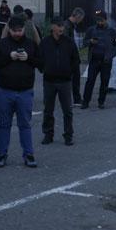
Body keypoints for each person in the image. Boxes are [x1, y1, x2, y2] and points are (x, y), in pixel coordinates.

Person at [0, 16, 43, 168]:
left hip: (25, 91)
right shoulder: (2, 44)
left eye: (20, 30)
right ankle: (1, 154)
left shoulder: (31, 44)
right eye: (14, 31)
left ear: (24, 29)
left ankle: (29, 154)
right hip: (5, 91)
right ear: (9, 30)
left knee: (25, 124)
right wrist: (9, 56)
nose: (17, 33)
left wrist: (28, 58)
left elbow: (41, 64)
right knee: (4, 124)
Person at [39, 17, 78, 146]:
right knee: (48, 109)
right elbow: (39, 59)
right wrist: (44, 69)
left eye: (62, 26)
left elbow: (75, 60)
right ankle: (48, 134)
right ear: (52, 27)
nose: (61, 28)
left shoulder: (69, 42)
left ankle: (68, 135)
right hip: (49, 80)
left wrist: (70, 72)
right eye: (58, 26)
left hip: (65, 81)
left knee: (67, 110)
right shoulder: (45, 42)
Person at [82, 10, 116, 109]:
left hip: (106, 61)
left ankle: (101, 101)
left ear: (105, 20)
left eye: (101, 21)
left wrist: (111, 55)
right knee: (90, 81)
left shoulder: (112, 31)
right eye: (98, 20)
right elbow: (84, 42)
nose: (99, 23)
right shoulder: (91, 30)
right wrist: (90, 41)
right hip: (94, 59)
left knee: (104, 82)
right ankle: (85, 101)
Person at [66, 8, 87, 105]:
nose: (81, 21)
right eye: (81, 18)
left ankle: (75, 98)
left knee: (73, 78)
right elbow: (68, 42)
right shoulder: (68, 26)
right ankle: (76, 98)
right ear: (78, 16)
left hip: (72, 56)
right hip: (71, 57)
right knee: (74, 78)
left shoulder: (70, 25)